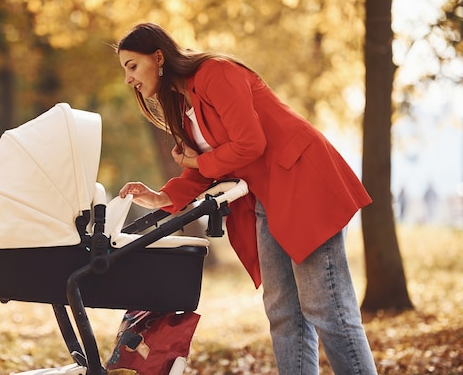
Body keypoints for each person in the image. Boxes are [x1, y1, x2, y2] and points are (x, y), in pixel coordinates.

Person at [114, 22, 378, 375]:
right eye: (125, 70)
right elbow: (204, 167)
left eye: (133, 66)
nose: (129, 78)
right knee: (283, 312)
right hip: (266, 199)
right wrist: (162, 196)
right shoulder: (181, 103)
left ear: (159, 57)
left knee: (328, 307)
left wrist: (196, 161)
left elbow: (250, 143)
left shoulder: (216, 73)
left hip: (302, 182)